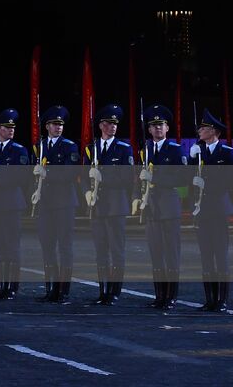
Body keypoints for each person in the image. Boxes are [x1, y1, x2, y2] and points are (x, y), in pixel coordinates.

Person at [32, 105, 81, 305]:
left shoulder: (69, 146)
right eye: (54, 124)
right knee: (47, 246)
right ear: (47, 126)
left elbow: (70, 173)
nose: (58, 127)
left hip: (64, 203)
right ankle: (50, 288)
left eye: (60, 124)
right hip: (45, 203)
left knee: (65, 247)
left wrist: (48, 173)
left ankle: (63, 290)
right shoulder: (40, 146)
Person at [87, 103, 134, 305]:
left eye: (115, 123)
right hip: (98, 206)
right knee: (101, 249)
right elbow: (83, 175)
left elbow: (127, 178)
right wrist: (87, 192)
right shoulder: (92, 148)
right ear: (100, 125)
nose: (112, 127)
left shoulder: (124, 148)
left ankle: (114, 291)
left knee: (116, 250)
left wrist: (103, 177)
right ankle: (103, 290)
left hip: (116, 206)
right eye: (108, 123)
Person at [141, 104, 186, 309]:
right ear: (149, 130)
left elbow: (181, 179)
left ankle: (171, 296)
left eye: (162, 125)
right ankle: (159, 296)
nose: (158, 129)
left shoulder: (175, 150)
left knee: (171, 254)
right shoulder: (145, 150)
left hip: (169, 208)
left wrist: (155, 178)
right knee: (156, 253)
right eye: (154, 126)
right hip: (151, 208)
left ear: (167, 128)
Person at [0, 108, 29, 300]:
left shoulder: (19, 151)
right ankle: (2, 285)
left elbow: (21, 177)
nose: (11, 130)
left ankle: (12, 286)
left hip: (12, 204)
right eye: (7, 127)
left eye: (13, 127)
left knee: (12, 246)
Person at [191, 110, 231, 311]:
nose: (200, 131)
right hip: (202, 211)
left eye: (204, 128)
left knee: (220, 256)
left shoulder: (227, 153)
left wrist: (206, 184)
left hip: (218, 210)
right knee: (206, 255)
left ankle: (222, 300)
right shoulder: (198, 153)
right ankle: (210, 299)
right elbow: (188, 183)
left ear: (214, 131)